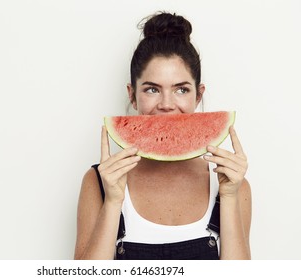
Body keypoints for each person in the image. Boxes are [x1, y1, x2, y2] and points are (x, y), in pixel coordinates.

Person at [74, 11, 251, 260]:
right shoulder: (98, 181)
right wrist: (113, 202)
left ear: (198, 96)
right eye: (152, 89)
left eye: (181, 89)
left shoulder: (231, 184)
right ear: (132, 95)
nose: (167, 104)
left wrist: (230, 197)